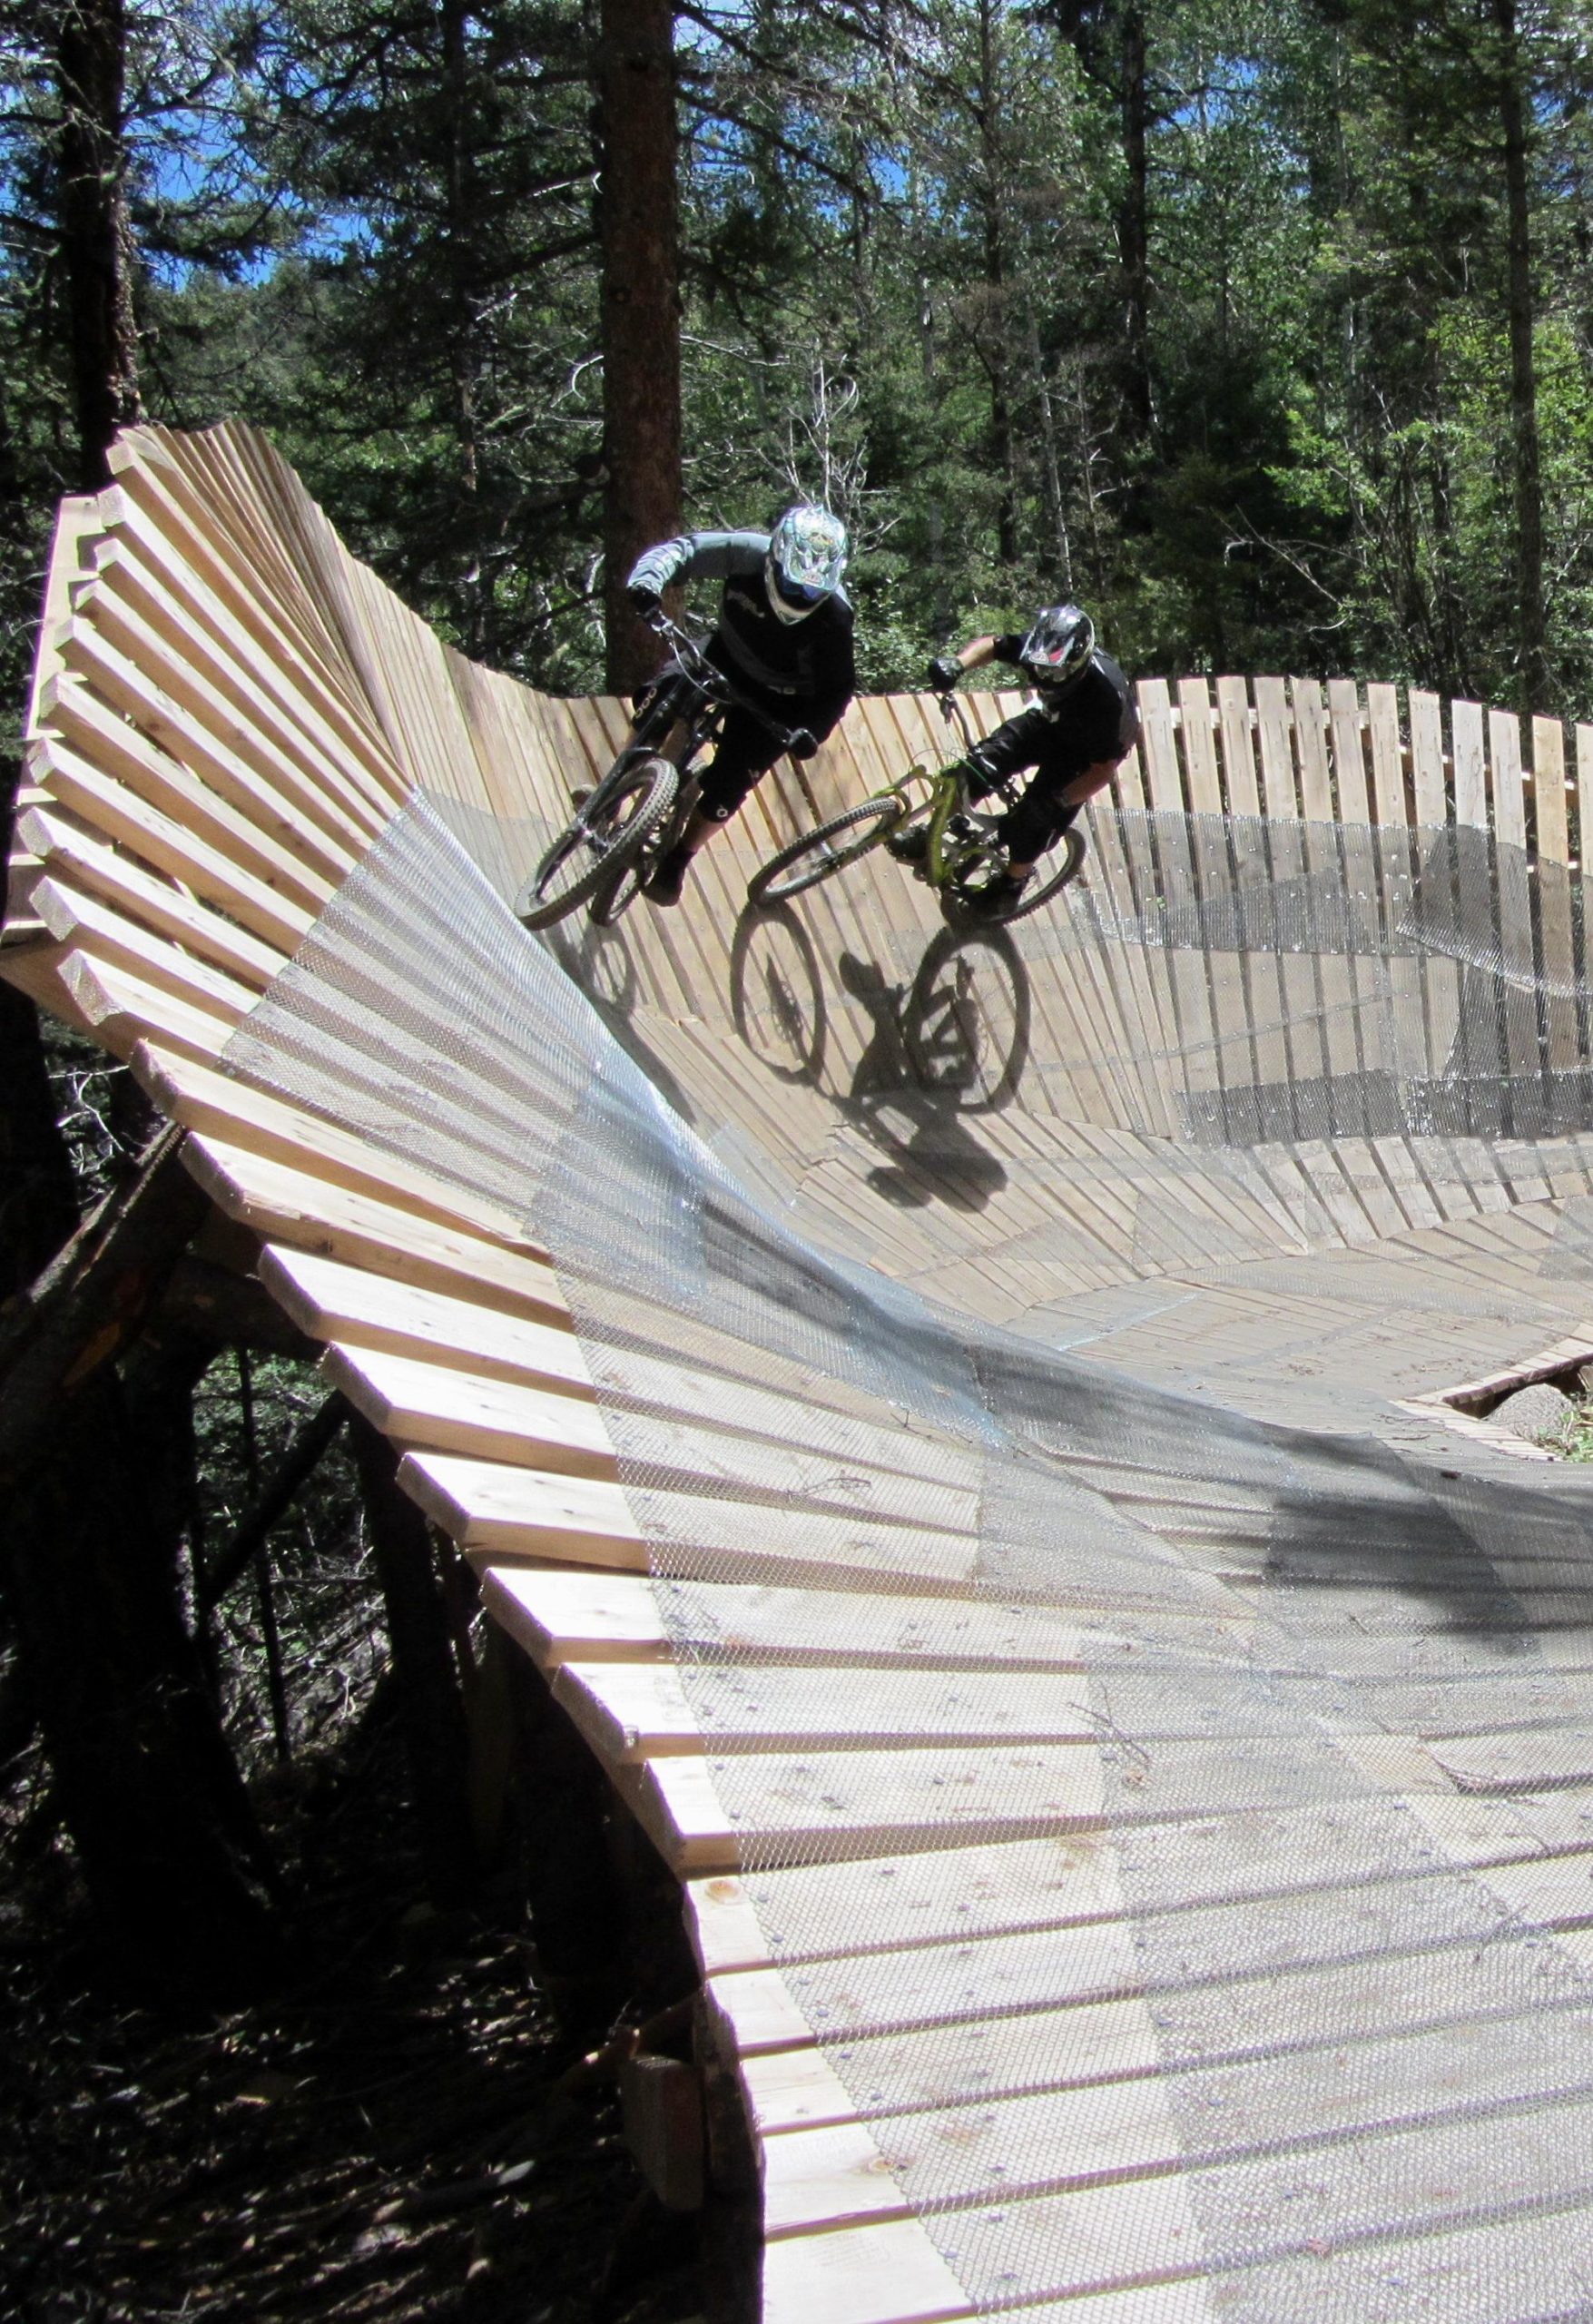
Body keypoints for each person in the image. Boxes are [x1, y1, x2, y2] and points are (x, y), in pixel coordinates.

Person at [624, 505, 854, 905]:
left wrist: (811, 734)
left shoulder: (836, 614)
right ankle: (620, 782)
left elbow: (837, 690)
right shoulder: (747, 552)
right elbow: (683, 552)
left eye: (813, 591)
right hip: (723, 654)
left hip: (780, 701)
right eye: (794, 584)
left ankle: (679, 858)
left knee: (728, 791)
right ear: (775, 558)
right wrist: (648, 581)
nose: (802, 596)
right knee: (654, 698)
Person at [894, 603, 1138, 919]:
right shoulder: (1045, 647)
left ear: (1079, 663)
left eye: (1057, 673)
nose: (1045, 677)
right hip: (1047, 722)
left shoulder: (1108, 699)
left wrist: (1058, 801)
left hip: (1084, 755)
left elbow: (1103, 771)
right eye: (1042, 670)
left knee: (1033, 821)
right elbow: (994, 646)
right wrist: (957, 664)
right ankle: (930, 837)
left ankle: (1012, 884)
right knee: (977, 769)